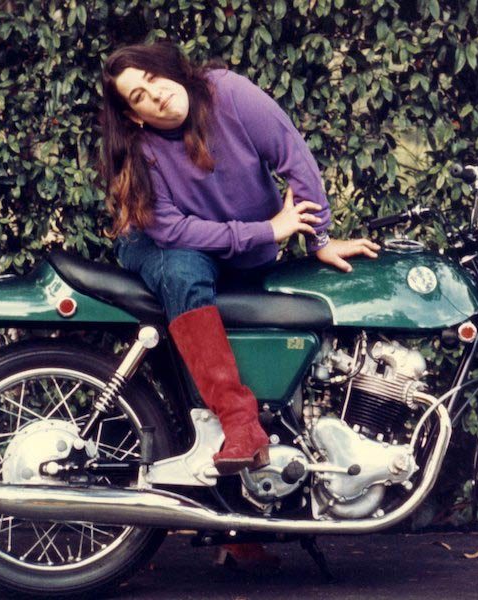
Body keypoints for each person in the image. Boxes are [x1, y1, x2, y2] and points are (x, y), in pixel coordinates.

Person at [98, 41, 380, 475]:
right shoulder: (142, 152)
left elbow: (293, 155)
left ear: (168, 70)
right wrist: (267, 231)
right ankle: (240, 424)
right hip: (162, 247)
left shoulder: (227, 94)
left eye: (153, 78)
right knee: (183, 267)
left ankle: (241, 533)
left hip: (241, 249)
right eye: (138, 96)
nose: (154, 94)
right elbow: (173, 231)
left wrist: (318, 237)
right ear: (135, 115)